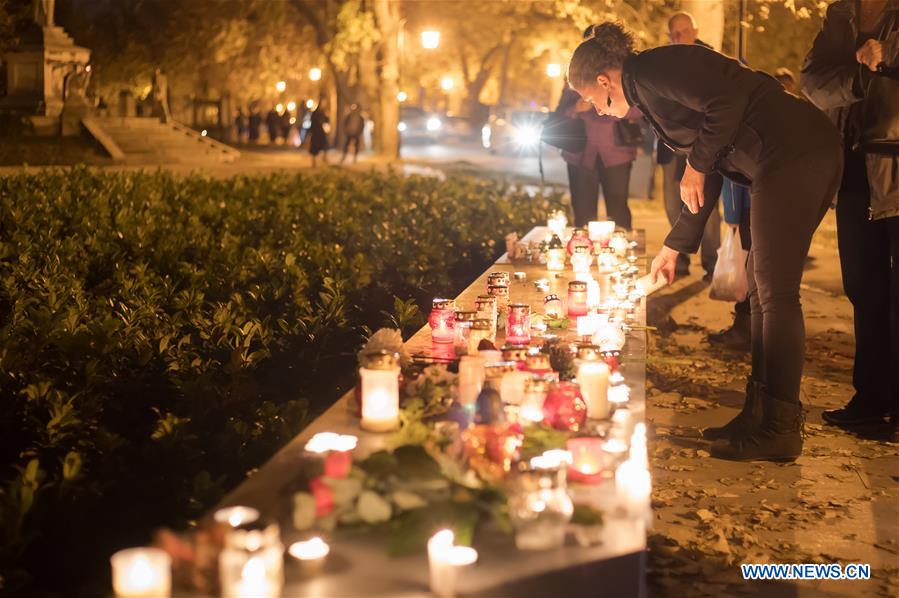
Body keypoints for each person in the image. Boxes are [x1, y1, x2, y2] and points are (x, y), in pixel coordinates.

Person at [567, 22, 843, 461]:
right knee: (759, 293)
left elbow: (728, 101)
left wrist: (694, 163)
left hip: (794, 153)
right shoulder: (646, 92)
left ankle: (782, 427)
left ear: (604, 81)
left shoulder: (657, 68)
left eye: (593, 101)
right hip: (774, 160)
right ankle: (758, 412)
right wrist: (675, 246)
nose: (597, 111)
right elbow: (708, 167)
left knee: (776, 293)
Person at [801, 0, 898, 431]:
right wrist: (859, 72)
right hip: (856, 169)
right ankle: (872, 398)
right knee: (863, 286)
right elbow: (813, 82)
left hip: (896, 162)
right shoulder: (840, 17)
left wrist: (884, 65)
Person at [658, 12, 723, 280]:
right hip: (670, 145)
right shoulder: (662, 60)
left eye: (682, 32)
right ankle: (678, 259)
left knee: (703, 204)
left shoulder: (707, 58)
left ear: (694, 31)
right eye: (673, 33)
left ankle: (712, 262)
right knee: (673, 203)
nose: (677, 37)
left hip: (699, 144)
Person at [308, 102, 329, 167]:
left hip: (320, 132)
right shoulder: (315, 113)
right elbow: (312, 123)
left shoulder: (322, 113)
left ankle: (324, 158)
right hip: (316, 132)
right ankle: (314, 162)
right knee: (315, 147)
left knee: (324, 144)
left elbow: (326, 120)